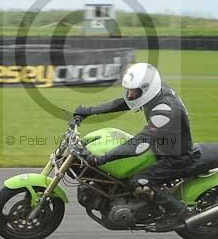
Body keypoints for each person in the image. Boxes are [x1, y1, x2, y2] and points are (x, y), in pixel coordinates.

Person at [74, 62, 199, 230]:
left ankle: (178, 212)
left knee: (138, 183)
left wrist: (102, 158)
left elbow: (140, 143)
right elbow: (124, 102)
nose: (130, 95)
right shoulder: (154, 92)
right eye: (129, 91)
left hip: (175, 157)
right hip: (160, 147)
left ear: (147, 89)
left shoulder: (167, 110)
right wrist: (89, 111)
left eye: (134, 92)